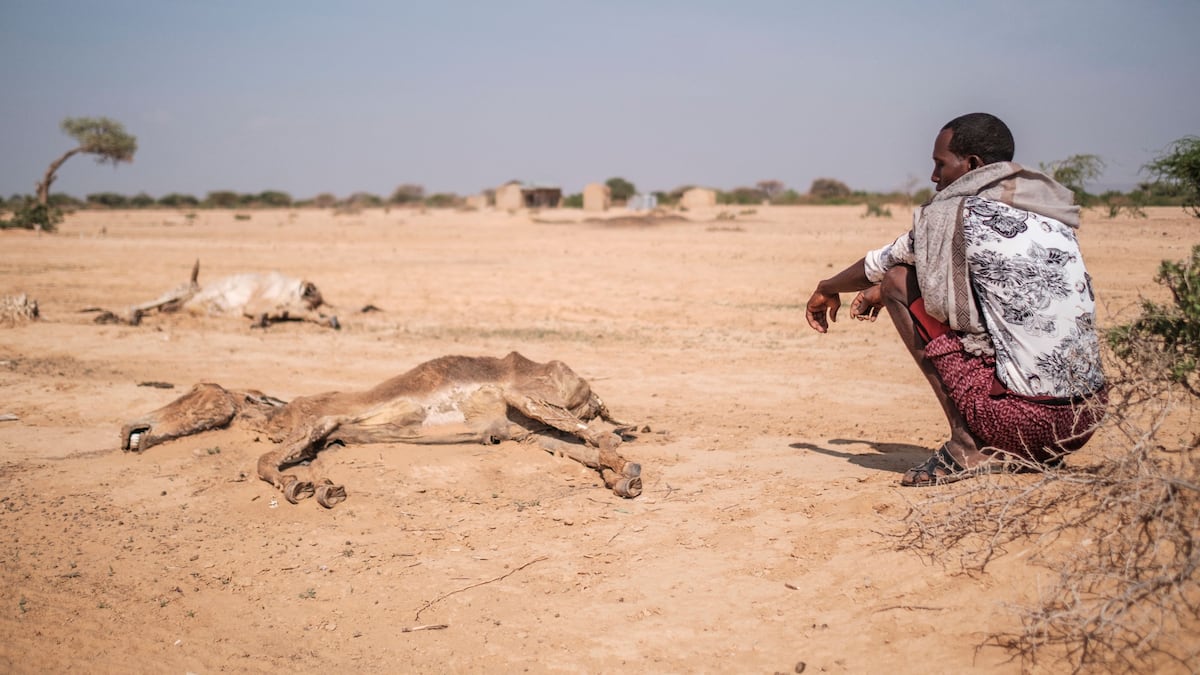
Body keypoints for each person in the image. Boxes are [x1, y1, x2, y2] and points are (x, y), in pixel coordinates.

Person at [804, 112, 1106, 486]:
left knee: (896, 281)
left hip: (1026, 420)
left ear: (973, 165)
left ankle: (968, 445)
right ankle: (1028, 452)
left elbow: (881, 263)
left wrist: (827, 286)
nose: (934, 177)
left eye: (940, 164)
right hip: (1083, 419)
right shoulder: (1048, 212)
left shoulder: (957, 215)